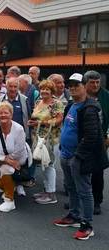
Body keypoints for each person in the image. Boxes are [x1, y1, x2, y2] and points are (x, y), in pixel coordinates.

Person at [53, 73, 108, 241]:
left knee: (84, 191)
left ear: (85, 86)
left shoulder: (90, 107)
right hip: (66, 154)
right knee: (71, 188)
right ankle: (74, 216)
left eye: (76, 85)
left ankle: (87, 225)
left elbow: (91, 137)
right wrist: (63, 147)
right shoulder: (71, 105)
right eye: (70, 85)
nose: (73, 88)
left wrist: (78, 157)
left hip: (79, 158)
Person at [0, 102, 28, 212]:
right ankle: (12, 185)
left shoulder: (18, 129)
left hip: (18, 159)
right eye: (0, 113)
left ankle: (10, 201)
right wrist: (4, 159)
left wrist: (8, 161)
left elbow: (19, 150)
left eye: (6, 112)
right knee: (0, 184)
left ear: (11, 114)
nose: (3, 115)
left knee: (6, 169)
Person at [28, 80, 64, 204]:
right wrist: (32, 122)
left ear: (52, 91)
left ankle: (51, 195)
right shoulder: (38, 102)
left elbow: (59, 120)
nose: (44, 91)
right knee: (43, 164)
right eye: (42, 89)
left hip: (51, 139)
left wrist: (40, 123)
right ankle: (46, 190)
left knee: (49, 165)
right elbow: (35, 117)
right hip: (38, 138)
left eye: (47, 89)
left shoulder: (56, 103)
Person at [83, 70, 109, 215]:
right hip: (81, 139)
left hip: (100, 140)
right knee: (80, 170)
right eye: (92, 82)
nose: (95, 85)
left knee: (97, 171)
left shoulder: (106, 97)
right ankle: (79, 198)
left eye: (97, 82)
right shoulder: (80, 95)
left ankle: (96, 201)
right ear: (85, 83)